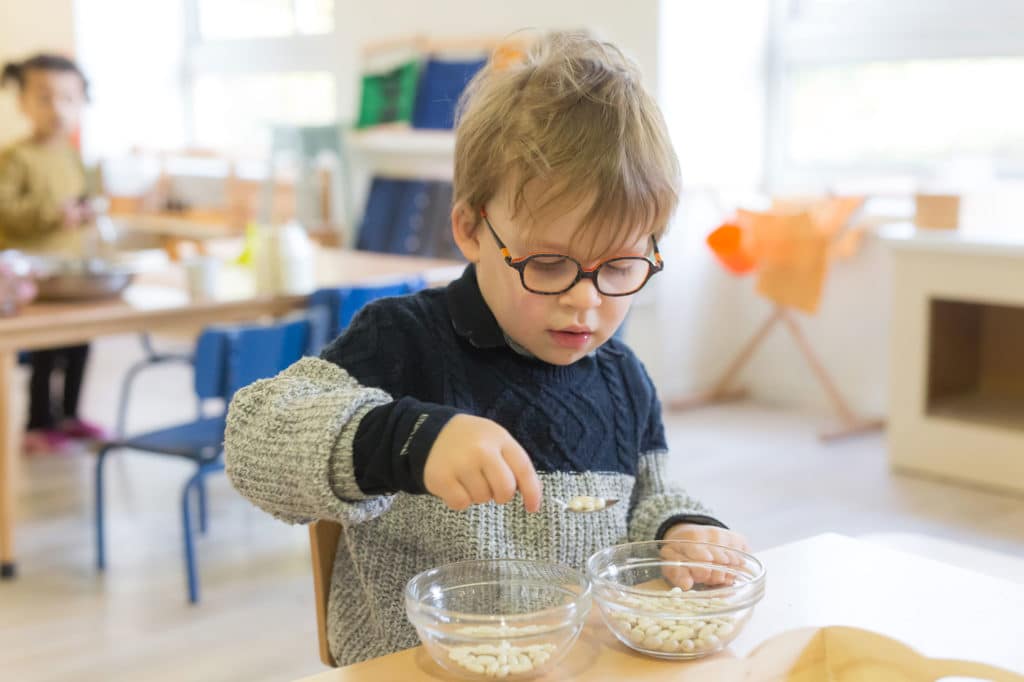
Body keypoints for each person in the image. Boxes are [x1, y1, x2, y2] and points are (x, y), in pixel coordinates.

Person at [225, 31, 749, 667]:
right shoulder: (403, 341)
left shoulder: (621, 378)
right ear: (470, 229)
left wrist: (680, 534)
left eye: (619, 268)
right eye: (550, 264)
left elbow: (647, 502)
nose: (585, 301)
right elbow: (254, 440)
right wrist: (404, 441)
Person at [0, 54, 106, 452]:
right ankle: (38, 423)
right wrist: (52, 214)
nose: (57, 108)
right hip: (30, 278)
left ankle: (71, 416)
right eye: (44, 98)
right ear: (23, 103)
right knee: (45, 352)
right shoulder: (16, 157)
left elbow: (81, 199)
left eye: (67, 98)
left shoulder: (72, 155)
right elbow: (5, 211)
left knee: (80, 343)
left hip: (72, 272)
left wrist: (84, 211)